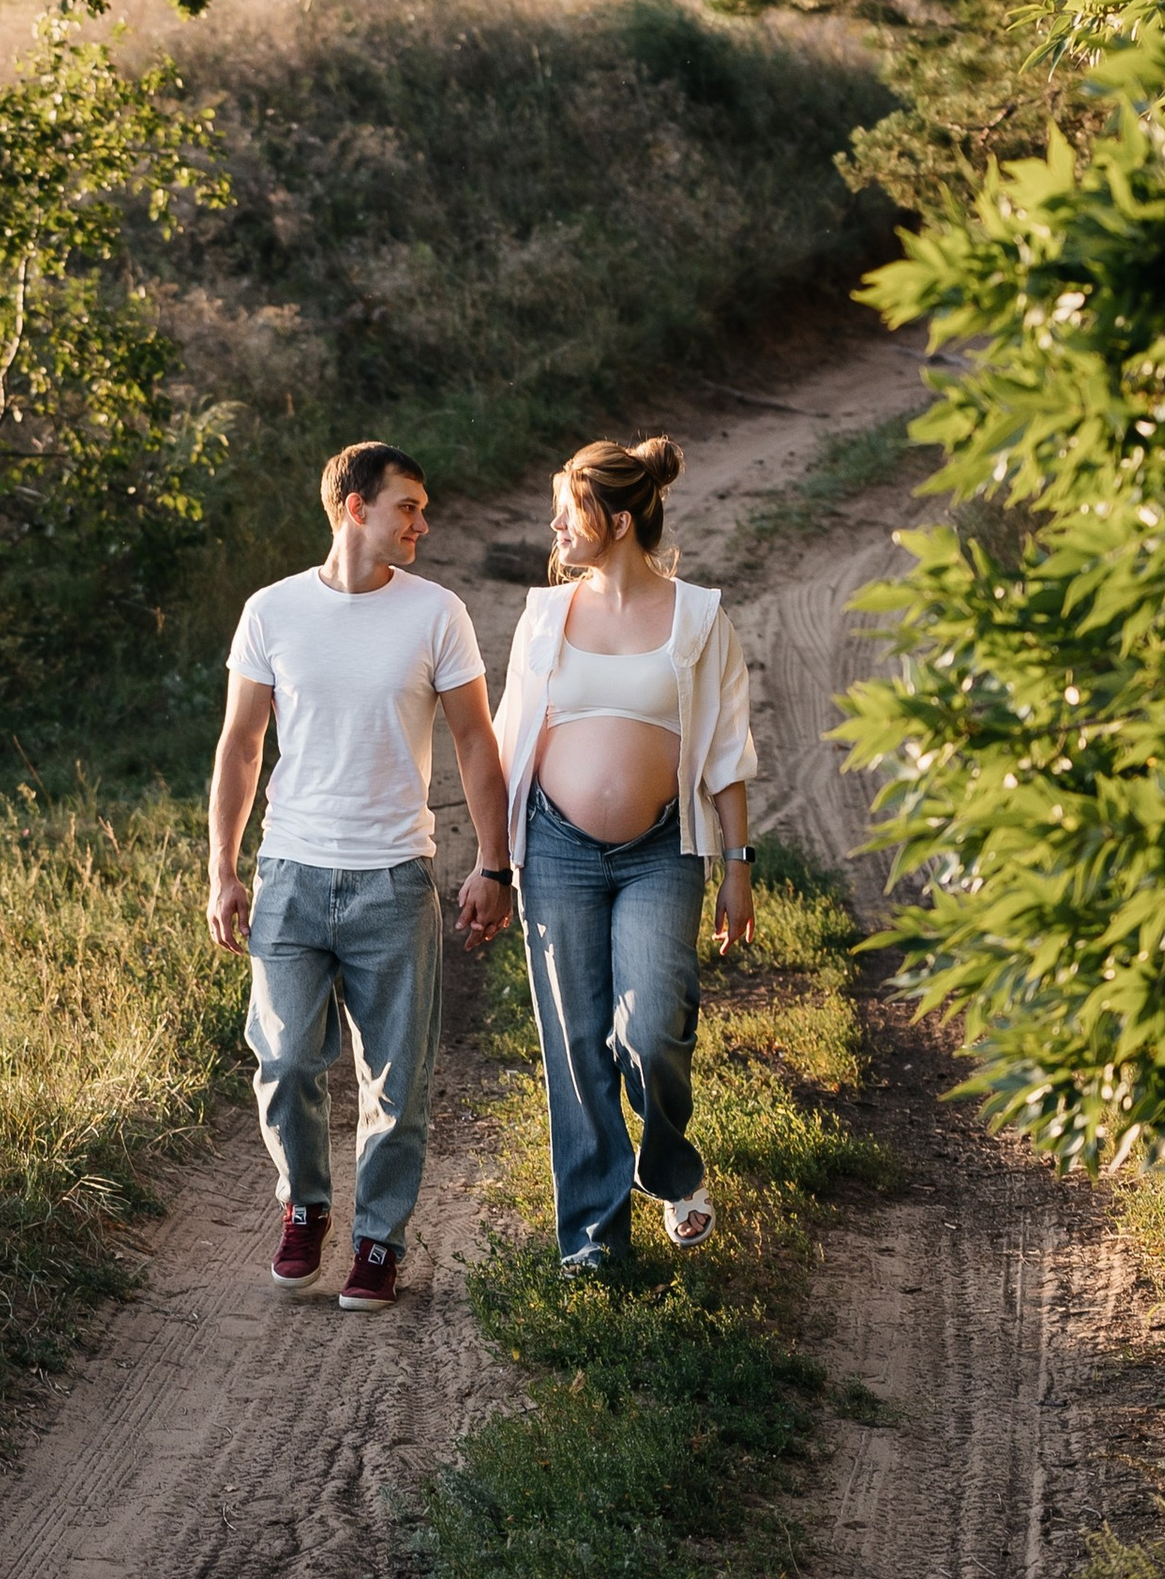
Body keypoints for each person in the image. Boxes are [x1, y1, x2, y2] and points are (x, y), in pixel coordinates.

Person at [208, 440, 515, 1310]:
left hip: (393, 879)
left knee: (396, 1080)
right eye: (407, 507)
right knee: (283, 1061)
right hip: (290, 875)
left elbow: (475, 744)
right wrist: (222, 869)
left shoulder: (438, 613)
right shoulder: (272, 611)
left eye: (423, 509)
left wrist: (494, 863)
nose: (423, 523)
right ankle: (304, 1206)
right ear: (355, 507)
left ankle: (379, 1239)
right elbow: (241, 746)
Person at [493, 435, 759, 1276]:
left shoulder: (699, 618)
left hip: (660, 851)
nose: (553, 530)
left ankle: (670, 1166)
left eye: (567, 514)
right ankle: (593, 1243)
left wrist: (738, 867)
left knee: (650, 1029)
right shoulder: (545, 617)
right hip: (556, 851)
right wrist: (492, 862)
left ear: (614, 522)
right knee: (576, 1046)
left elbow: (727, 750)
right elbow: (508, 740)